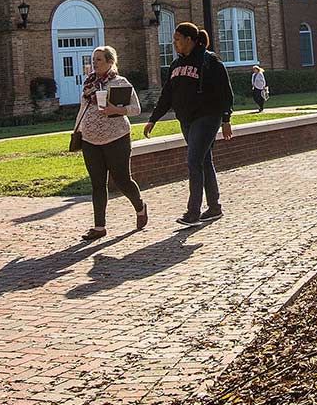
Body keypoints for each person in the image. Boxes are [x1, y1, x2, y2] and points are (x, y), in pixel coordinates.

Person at [143, 22, 233, 226]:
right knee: (204, 160)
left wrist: (226, 119)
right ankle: (214, 207)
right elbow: (167, 95)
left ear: (189, 40)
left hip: (208, 117)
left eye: (177, 39)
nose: (174, 43)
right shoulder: (175, 65)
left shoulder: (210, 61)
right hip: (186, 119)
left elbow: (225, 93)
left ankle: (193, 212)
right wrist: (153, 119)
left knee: (194, 161)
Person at [72, 45, 146, 241]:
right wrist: (77, 130)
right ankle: (99, 227)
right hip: (90, 139)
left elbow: (136, 108)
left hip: (116, 137)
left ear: (110, 62)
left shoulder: (120, 83)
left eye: (99, 60)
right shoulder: (89, 83)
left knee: (122, 180)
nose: (94, 63)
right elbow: (83, 108)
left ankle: (140, 207)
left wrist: (116, 109)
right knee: (97, 183)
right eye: (93, 59)